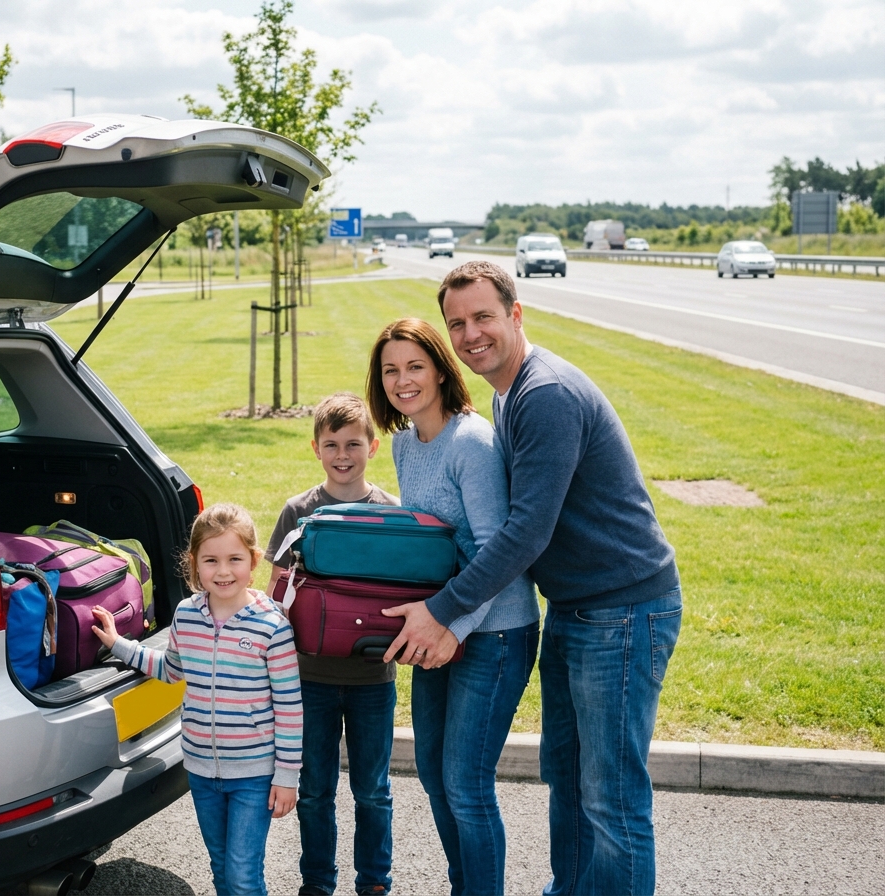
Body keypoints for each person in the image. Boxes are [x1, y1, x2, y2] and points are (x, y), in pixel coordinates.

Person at [382, 260, 683, 896]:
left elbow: (524, 532)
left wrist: (442, 611)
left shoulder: (545, 393)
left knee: (611, 797)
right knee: (567, 779)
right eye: (457, 324)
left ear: (515, 314)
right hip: (576, 607)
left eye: (483, 317)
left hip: (625, 609)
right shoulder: (507, 392)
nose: (471, 334)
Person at [365, 319, 539, 896]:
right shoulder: (403, 444)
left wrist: (448, 626)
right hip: (439, 622)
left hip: (495, 631)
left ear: (441, 370)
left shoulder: (472, 442)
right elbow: (429, 546)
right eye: (391, 370)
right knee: (435, 775)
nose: (403, 380)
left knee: (466, 784)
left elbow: (495, 553)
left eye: (415, 366)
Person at [92, 503, 301, 896]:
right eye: (211, 560)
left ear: (253, 560)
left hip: (254, 775)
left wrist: (287, 777)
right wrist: (118, 644)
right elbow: (171, 669)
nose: (223, 571)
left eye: (234, 559)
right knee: (220, 868)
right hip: (202, 771)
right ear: (194, 563)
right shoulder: (186, 616)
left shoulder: (272, 627)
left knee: (242, 876)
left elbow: (290, 708)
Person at [265, 392, 400, 896]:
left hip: (372, 678)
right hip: (309, 679)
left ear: (373, 446)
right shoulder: (298, 511)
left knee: (373, 791)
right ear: (316, 448)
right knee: (315, 791)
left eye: (353, 444)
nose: (343, 455)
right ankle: (318, 883)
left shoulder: (391, 512)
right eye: (332, 445)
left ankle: (374, 883)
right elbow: (276, 592)